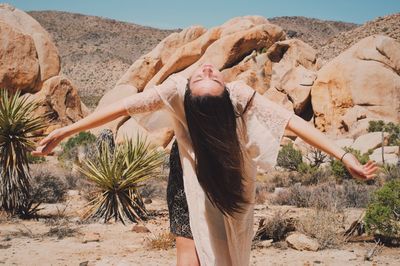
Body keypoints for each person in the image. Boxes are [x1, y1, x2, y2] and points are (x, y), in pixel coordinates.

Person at [33, 63, 378, 266]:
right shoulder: (175, 89)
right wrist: (66, 130)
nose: (207, 70)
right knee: (189, 240)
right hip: (187, 167)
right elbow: (124, 107)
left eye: (207, 77)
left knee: (229, 237)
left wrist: (345, 157)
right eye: (203, 77)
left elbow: (290, 121)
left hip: (229, 166)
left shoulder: (238, 95)